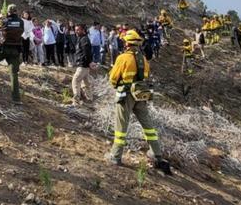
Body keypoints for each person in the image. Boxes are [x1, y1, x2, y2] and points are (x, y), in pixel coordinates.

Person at [108, 30, 172, 174]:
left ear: (127, 43)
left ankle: (115, 156)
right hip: (141, 95)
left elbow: (113, 78)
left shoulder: (123, 58)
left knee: (121, 127)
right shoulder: (143, 59)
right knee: (148, 126)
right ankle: (156, 154)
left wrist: (117, 85)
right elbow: (146, 75)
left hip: (126, 95)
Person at [0, 4, 25, 104]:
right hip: (16, 50)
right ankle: (16, 99)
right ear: (16, 11)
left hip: (4, 48)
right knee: (14, 74)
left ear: (8, 12)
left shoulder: (5, 20)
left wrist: (0, 17)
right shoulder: (21, 22)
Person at [72, 24, 94, 104]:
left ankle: (76, 100)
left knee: (75, 81)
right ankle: (89, 99)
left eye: (78, 30)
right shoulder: (80, 38)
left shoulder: (84, 39)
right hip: (84, 65)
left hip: (83, 64)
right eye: (75, 29)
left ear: (83, 30)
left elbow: (87, 53)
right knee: (86, 83)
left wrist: (89, 62)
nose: (76, 31)